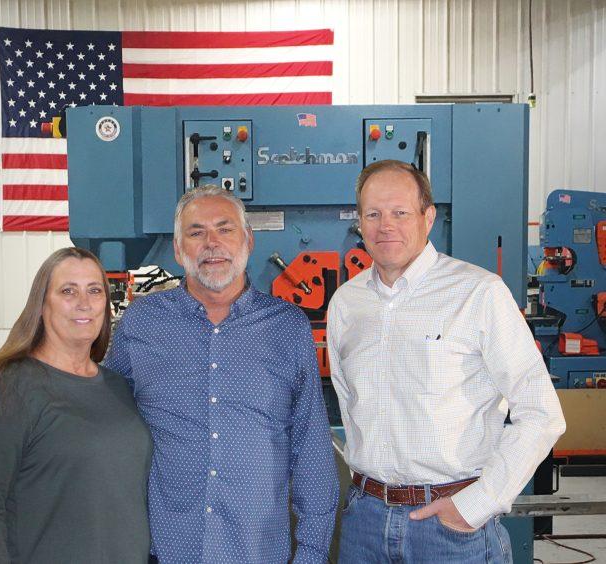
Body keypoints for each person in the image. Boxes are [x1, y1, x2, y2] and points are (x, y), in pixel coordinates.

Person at [327, 160, 566, 563]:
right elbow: (349, 405)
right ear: (360, 222)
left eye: (400, 212)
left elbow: (542, 414)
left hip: (448, 527)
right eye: (373, 214)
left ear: (428, 217)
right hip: (364, 523)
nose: (386, 225)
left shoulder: (477, 293)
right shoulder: (347, 304)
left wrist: (477, 504)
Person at [105, 184, 339, 563]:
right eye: (196, 233)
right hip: (168, 551)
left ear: (247, 240)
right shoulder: (142, 324)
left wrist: (312, 553)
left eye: (224, 229)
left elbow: (310, 448)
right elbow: (104, 421)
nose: (212, 243)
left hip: (259, 551)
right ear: (179, 250)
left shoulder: (288, 328)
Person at [0, 247, 153, 563]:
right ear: (41, 305)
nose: (84, 303)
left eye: (94, 290)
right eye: (68, 291)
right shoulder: (8, 387)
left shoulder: (117, 387)